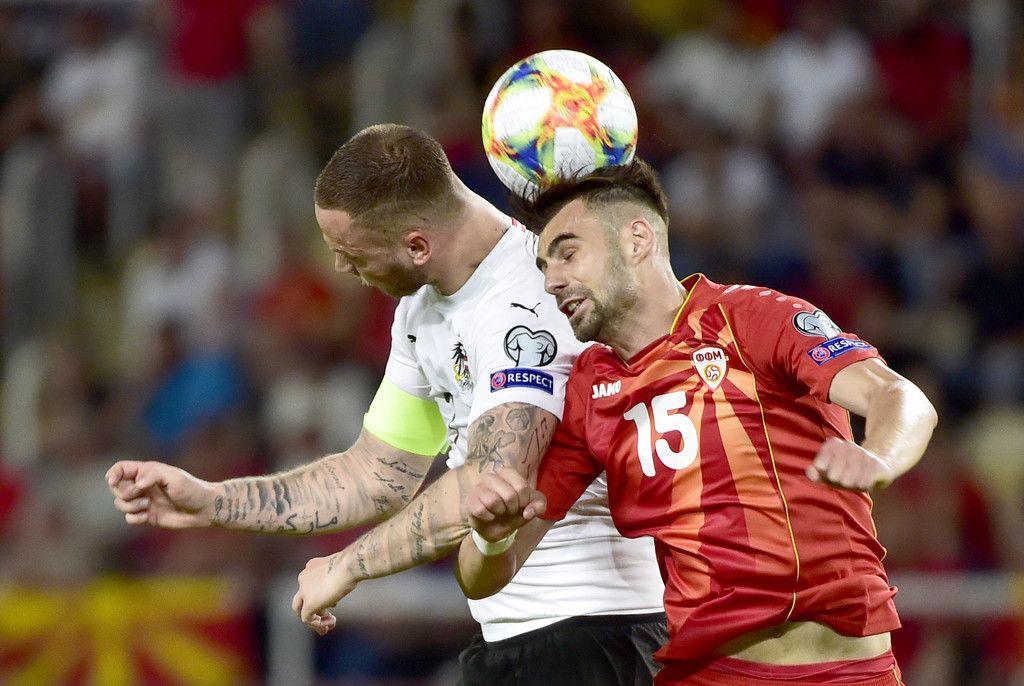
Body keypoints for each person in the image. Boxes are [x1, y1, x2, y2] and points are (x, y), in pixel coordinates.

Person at [106, 124, 667, 685]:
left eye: (351, 253)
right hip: (518, 635)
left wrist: (348, 566)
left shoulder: (528, 302)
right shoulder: (421, 311)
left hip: (599, 633)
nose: (340, 269)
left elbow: (492, 480)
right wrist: (212, 502)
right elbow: (376, 475)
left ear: (417, 246)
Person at [457, 159, 937, 685]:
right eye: (545, 265)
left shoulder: (748, 318)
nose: (552, 281)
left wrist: (878, 457)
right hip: (705, 673)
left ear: (637, 239)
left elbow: (899, 397)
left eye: (568, 253)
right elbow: (485, 576)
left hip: (845, 671)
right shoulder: (590, 390)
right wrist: (491, 538)